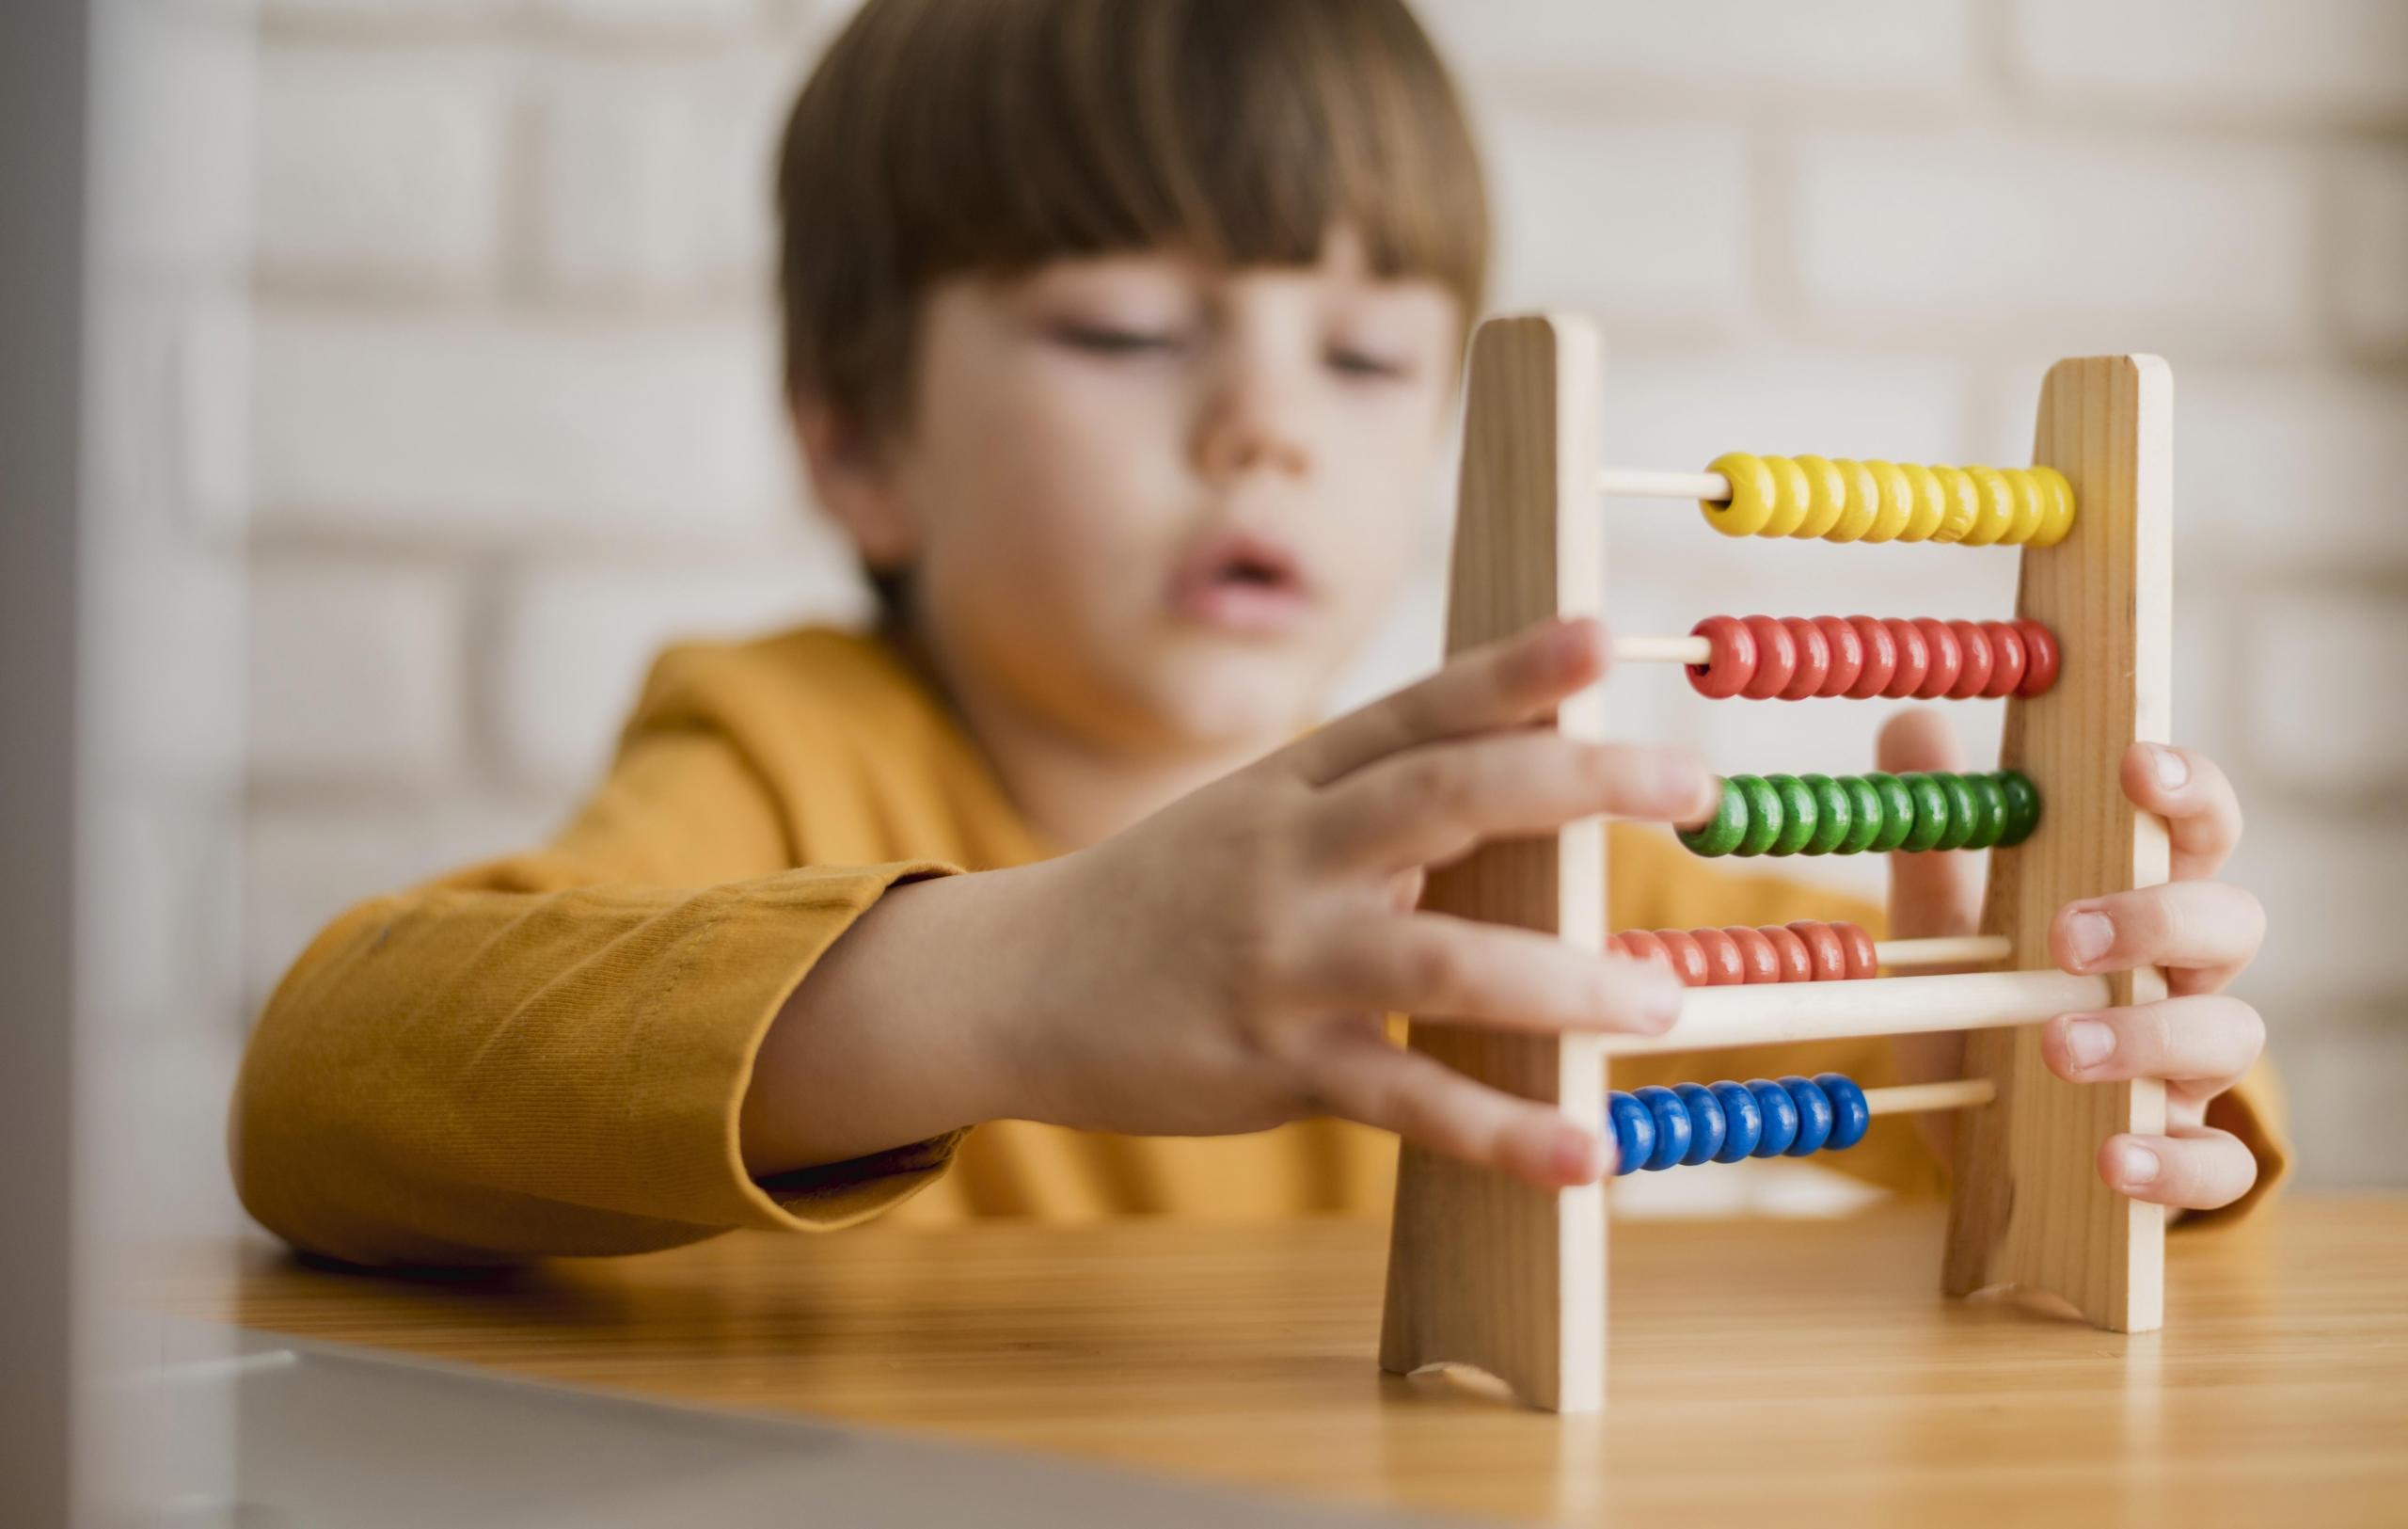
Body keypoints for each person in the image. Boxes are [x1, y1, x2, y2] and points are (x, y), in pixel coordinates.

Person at [230, 0, 2281, 1266]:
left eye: (1368, 356)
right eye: (1124, 329)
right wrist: (1025, 973)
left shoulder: (1498, 842)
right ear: (857, 443)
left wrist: (2039, 1066)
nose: (1264, 428)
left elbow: (2108, 1169)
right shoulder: (784, 748)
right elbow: (326, 1089)